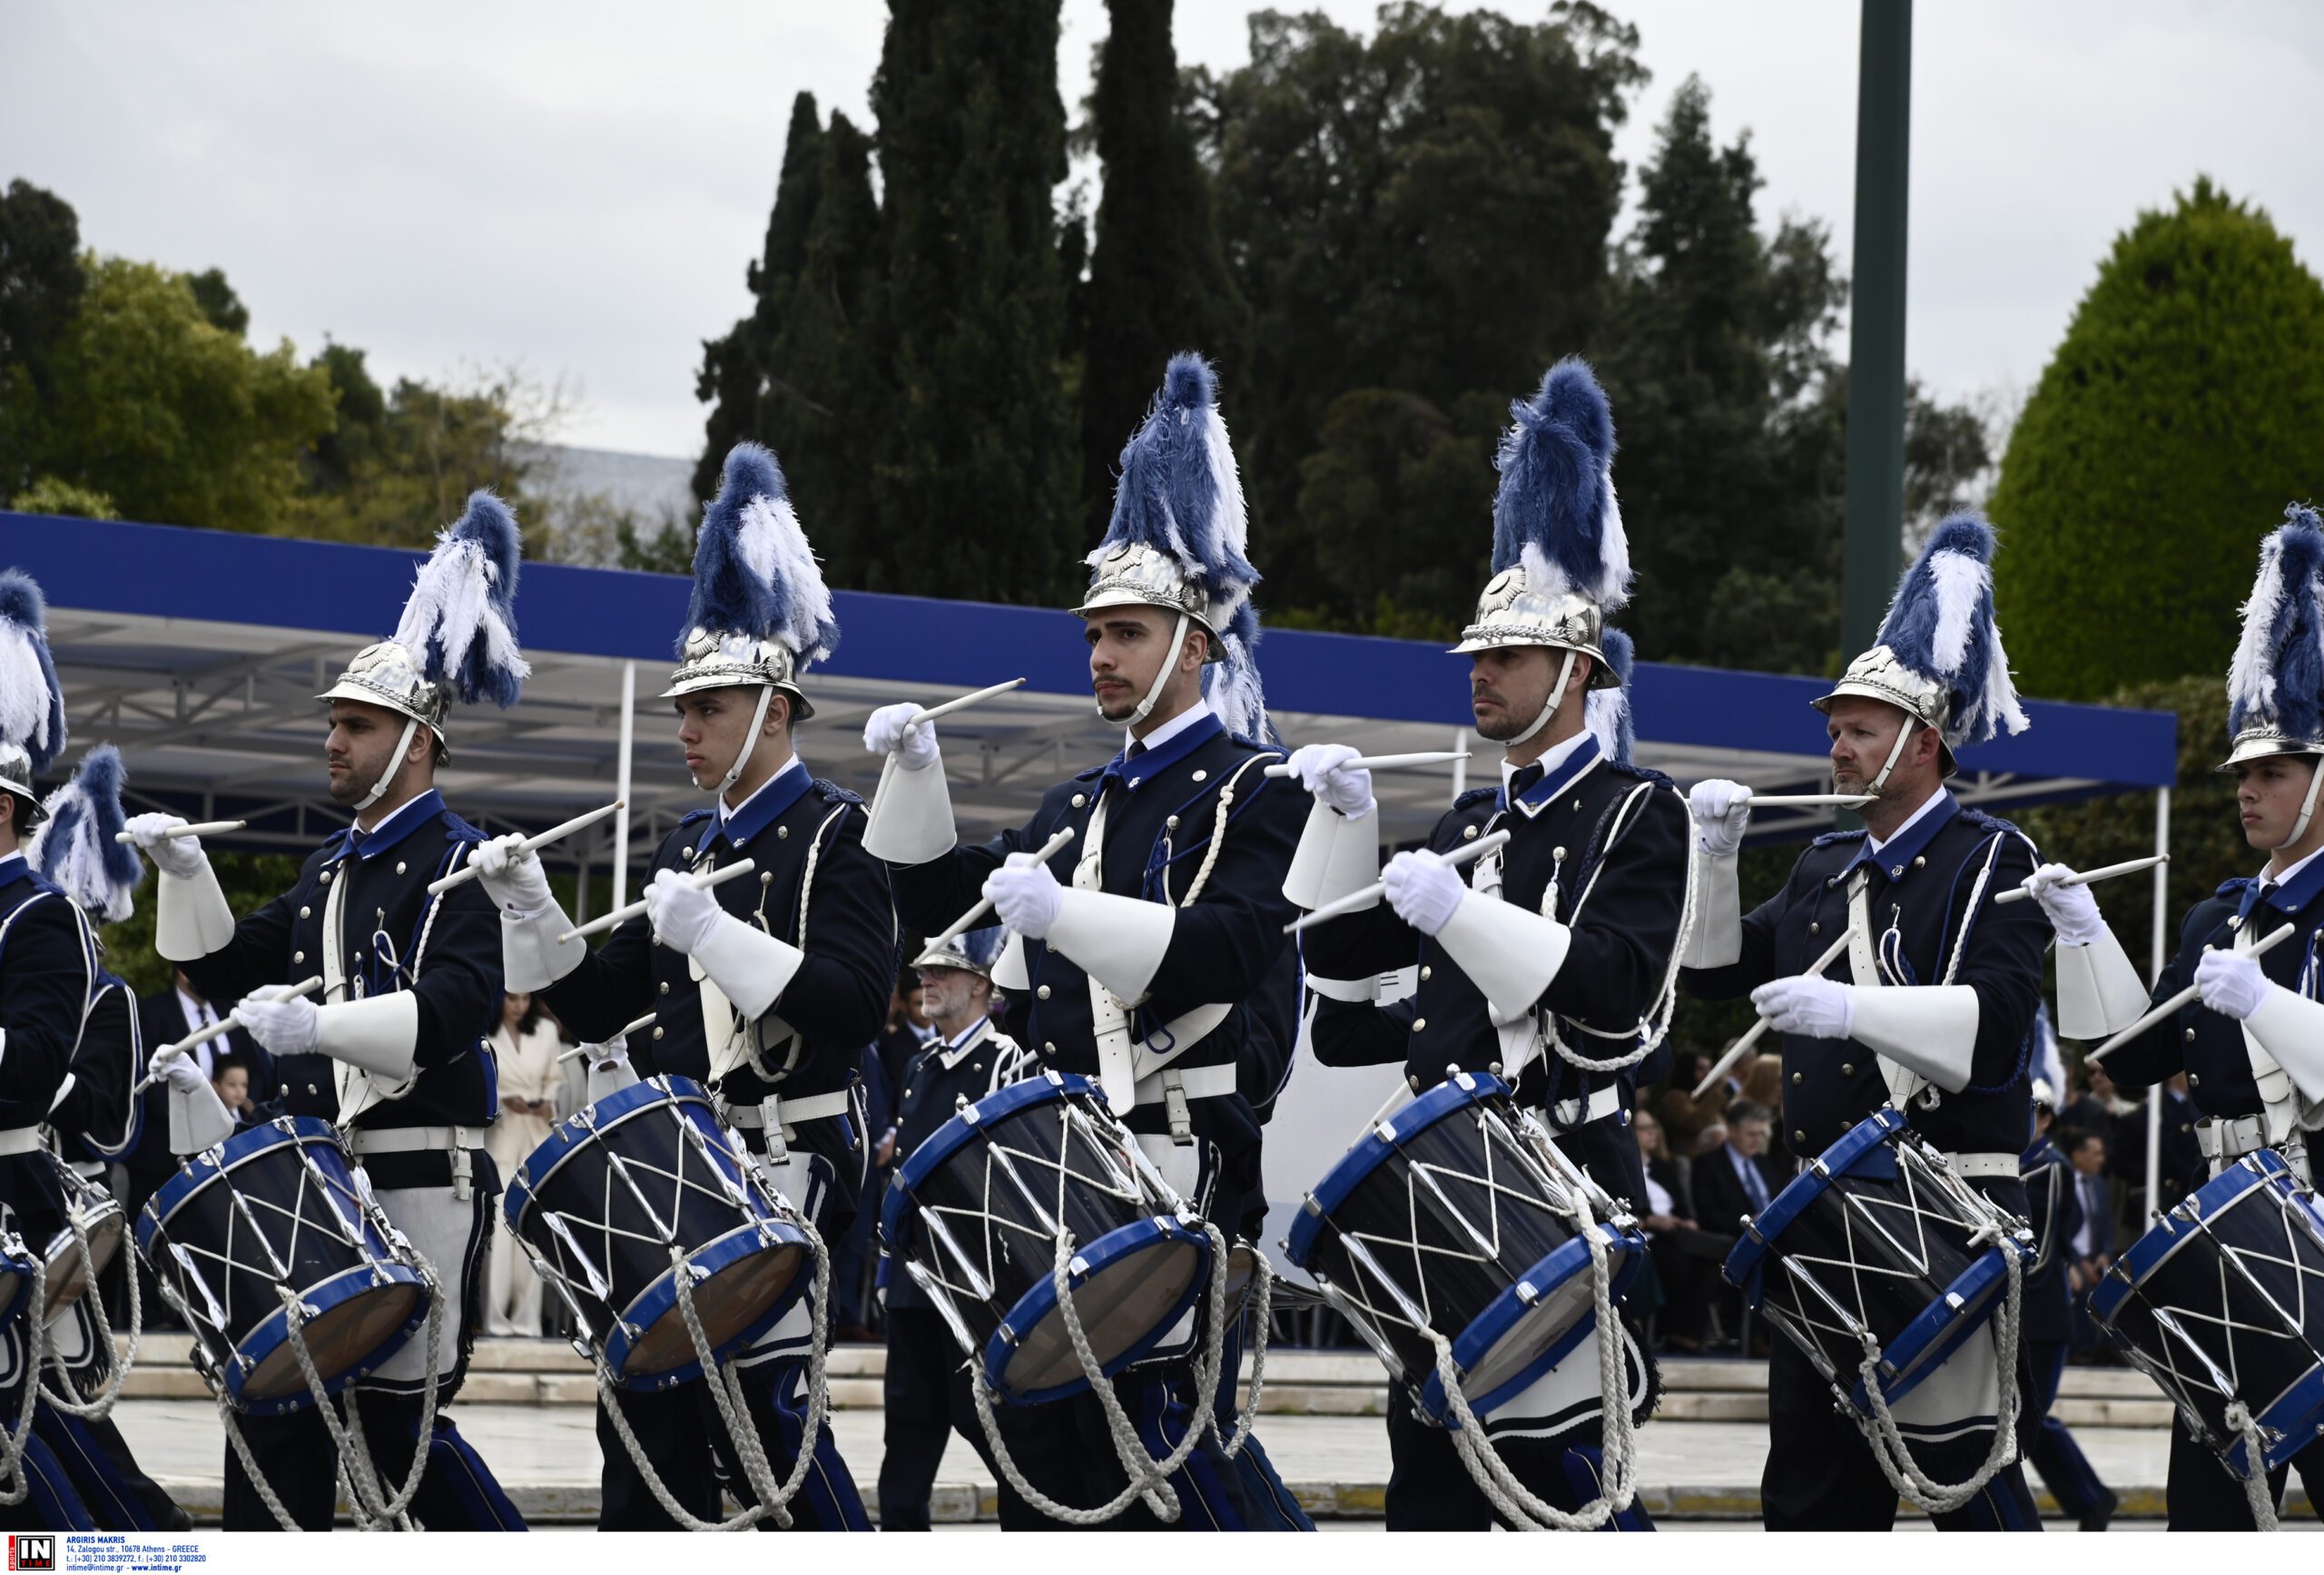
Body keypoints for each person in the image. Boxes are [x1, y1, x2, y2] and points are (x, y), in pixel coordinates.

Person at [862, 354, 1308, 1531]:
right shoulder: (1075, 805)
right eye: (1094, 633)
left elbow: (1224, 949)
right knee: (1048, 1491)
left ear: (1195, 643)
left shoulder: (1259, 790)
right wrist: (916, 780)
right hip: (1053, 1188)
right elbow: (946, 910)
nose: (1101, 654)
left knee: (1170, 1488)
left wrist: (1063, 913)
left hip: (1182, 1170)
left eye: (1126, 631)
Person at [1285, 359, 1685, 1531]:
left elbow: (1619, 1002)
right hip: (1443, 1196)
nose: (1481, 676)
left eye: (1504, 659)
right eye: (1476, 660)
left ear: (1575, 672)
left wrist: (1457, 909)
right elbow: (1349, 999)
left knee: (1568, 1499)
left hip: (1564, 1188)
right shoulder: (1465, 825)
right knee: (1432, 1501)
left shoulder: (1634, 812)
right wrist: (1346, 832)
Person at [477, 443, 887, 1533]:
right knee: (643, 1430)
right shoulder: (685, 841)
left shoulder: (837, 834)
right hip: (676, 1174)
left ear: (774, 707)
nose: (687, 728)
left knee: (770, 1436)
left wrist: (719, 930)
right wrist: (529, 906)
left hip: (790, 1159)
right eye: (683, 709)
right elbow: (604, 1001)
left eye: (708, 706)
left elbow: (852, 1005)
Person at [127, 495, 530, 1532]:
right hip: (315, 1179)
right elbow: (218, 962)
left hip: (413, 1172)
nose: (332, 743)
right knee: (270, 1412)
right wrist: (186, 870)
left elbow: (452, 1010)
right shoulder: (326, 868)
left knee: (402, 1436)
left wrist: (320, 1030)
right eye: (334, 726)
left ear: (418, 743)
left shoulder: (460, 862)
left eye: (355, 726)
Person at [1682, 513, 2047, 1531]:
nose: (1837, 747)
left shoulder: (1991, 857)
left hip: (1941, 1214)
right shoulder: (1820, 866)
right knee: (1809, 1492)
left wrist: (1849, 1008)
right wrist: (1713, 858)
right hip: (1821, 1223)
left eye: (1860, 730)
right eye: (1833, 729)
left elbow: (1994, 1032)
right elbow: (1716, 971)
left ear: (1923, 744)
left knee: (1965, 1485)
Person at [17, 743, 190, 1531]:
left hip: (31, 1201)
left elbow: (101, 1116)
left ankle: (150, 1552)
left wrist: (53, 1089)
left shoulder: (47, 927)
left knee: (65, 1433)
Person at [876, 926, 1034, 1530]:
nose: (927, 980)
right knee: (907, 1434)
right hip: (918, 1281)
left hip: (976, 1286)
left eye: (944, 970)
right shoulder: (919, 1064)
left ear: (981, 982)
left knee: (996, 1430)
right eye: (925, 971)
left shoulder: (1006, 1061)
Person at [2020, 1086, 2115, 1530]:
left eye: (2038, 1111)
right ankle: (2089, 1499)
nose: (2029, 1118)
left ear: (2048, 1119)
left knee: (2029, 1420)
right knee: (2020, 1420)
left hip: (2039, 1310)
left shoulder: (2051, 1167)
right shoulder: (2016, 1163)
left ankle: (2092, 1498)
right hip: (2019, 1310)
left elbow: (2040, 1252)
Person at [481, 990, 559, 1338]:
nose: (518, 1006)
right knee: (500, 1231)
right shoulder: (484, 1035)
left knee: (531, 1231)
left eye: (526, 999)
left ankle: (527, 1320)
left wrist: (547, 1103)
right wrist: (502, 1100)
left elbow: (556, 1081)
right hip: (502, 1139)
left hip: (535, 1138)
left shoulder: (546, 1032)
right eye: (512, 998)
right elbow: (481, 1084)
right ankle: (496, 1318)